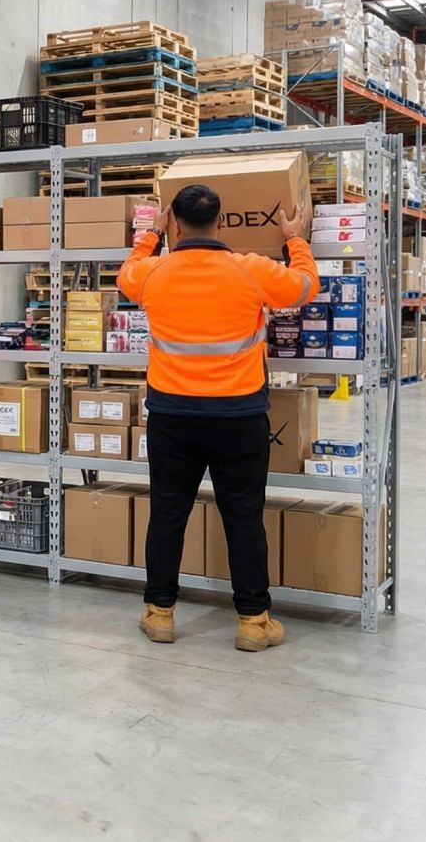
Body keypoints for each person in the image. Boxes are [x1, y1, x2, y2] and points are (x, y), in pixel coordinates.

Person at [116, 182, 317, 652]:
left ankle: (159, 613)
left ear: (176, 226)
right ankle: (253, 621)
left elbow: (126, 273)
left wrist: (150, 235)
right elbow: (306, 286)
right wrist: (296, 238)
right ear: (221, 223)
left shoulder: (152, 272)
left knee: (168, 513)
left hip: (172, 416)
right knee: (243, 517)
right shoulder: (251, 270)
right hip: (237, 417)